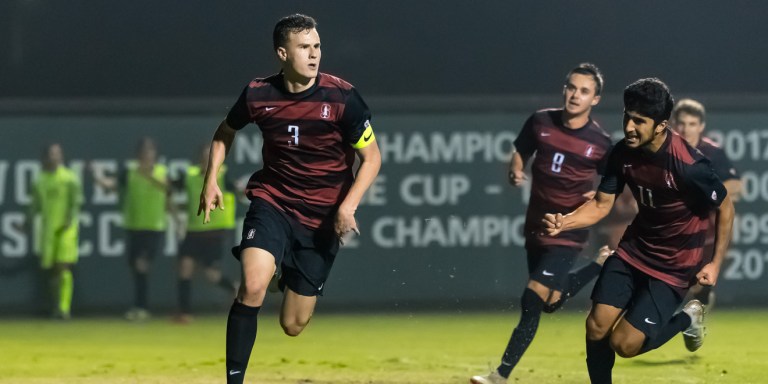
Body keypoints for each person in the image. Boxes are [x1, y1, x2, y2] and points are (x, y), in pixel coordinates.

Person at [197, 14, 381, 384]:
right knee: (251, 287)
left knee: (292, 324)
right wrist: (210, 180)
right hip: (274, 203)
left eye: (317, 46)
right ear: (282, 53)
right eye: (304, 47)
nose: (314, 54)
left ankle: (284, 274)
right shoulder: (258, 94)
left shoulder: (341, 97)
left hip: (321, 219)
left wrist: (348, 205)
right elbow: (225, 132)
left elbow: (372, 157)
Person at [542, 78, 735, 383]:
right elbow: (601, 204)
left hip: (673, 267)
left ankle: (688, 317)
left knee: (625, 344)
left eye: (639, 121)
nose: (630, 127)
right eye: (627, 117)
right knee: (596, 326)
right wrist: (564, 221)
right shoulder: (622, 154)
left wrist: (715, 263)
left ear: (661, 125)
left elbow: (726, 207)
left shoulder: (689, 165)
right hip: (634, 252)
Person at [471, 63, 613, 384]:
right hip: (535, 227)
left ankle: (500, 375)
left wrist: (596, 196)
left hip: (569, 232)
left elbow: (612, 187)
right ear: (565, 89)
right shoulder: (540, 121)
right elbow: (521, 150)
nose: (576, 95)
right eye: (572, 87)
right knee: (549, 302)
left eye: (584, 91)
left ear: (596, 100)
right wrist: (515, 169)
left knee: (532, 297)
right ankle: (598, 267)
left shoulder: (602, 142)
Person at [671, 98, 742, 310]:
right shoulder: (664, 151)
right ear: (674, 124)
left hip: (704, 232)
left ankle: (697, 308)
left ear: (701, 126)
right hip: (670, 228)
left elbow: (735, 187)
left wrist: (705, 196)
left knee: (698, 285)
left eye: (692, 124)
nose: (686, 129)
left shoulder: (712, 153)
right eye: (682, 123)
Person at [93, 137, 171, 321]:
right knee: (136, 267)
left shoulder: (161, 172)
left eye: (150, 152)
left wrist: (149, 175)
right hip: (134, 226)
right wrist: (98, 177)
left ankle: (141, 306)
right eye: (143, 152)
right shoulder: (129, 173)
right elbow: (112, 186)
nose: (147, 156)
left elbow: (168, 189)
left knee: (141, 264)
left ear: (155, 155)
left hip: (154, 226)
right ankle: (139, 306)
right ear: (138, 155)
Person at [171, 143, 239, 323]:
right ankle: (184, 312)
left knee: (211, 275)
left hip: (214, 233)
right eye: (204, 157)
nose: (206, 160)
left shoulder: (223, 175)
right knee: (185, 268)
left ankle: (234, 288)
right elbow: (170, 186)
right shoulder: (190, 176)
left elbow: (238, 191)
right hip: (193, 231)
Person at [23, 143, 83, 319]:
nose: (54, 157)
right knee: (52, 271)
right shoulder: (39, 180)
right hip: (48, 229)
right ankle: (55, 306)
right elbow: (34, 206)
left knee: (63, 266)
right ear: (45, 157)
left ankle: (64, 309)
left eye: (57, 154)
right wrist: (27, 222)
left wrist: (69, 218)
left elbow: (76, 202)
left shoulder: (70, 178)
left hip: (66, 229)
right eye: (51, 154)